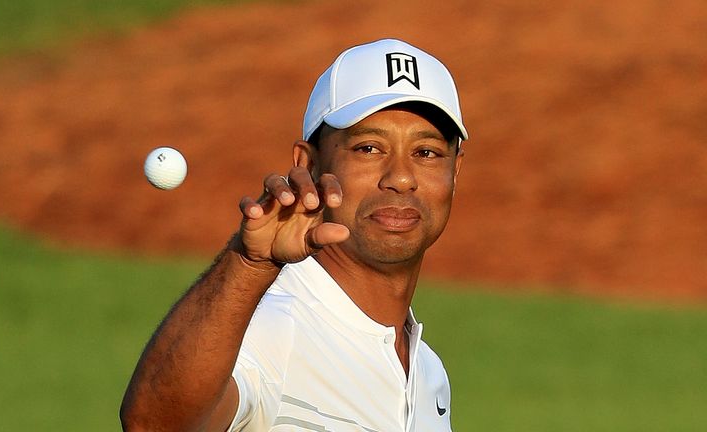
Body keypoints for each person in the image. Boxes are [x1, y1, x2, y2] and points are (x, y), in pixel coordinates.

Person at [120, 38, 469, 432]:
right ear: (311, 164)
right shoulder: (274, 325)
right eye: (369, 148)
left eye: (426, 153)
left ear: (455, 170)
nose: (401, 177)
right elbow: (155, 425)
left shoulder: (428, 374)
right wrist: (250, 263)